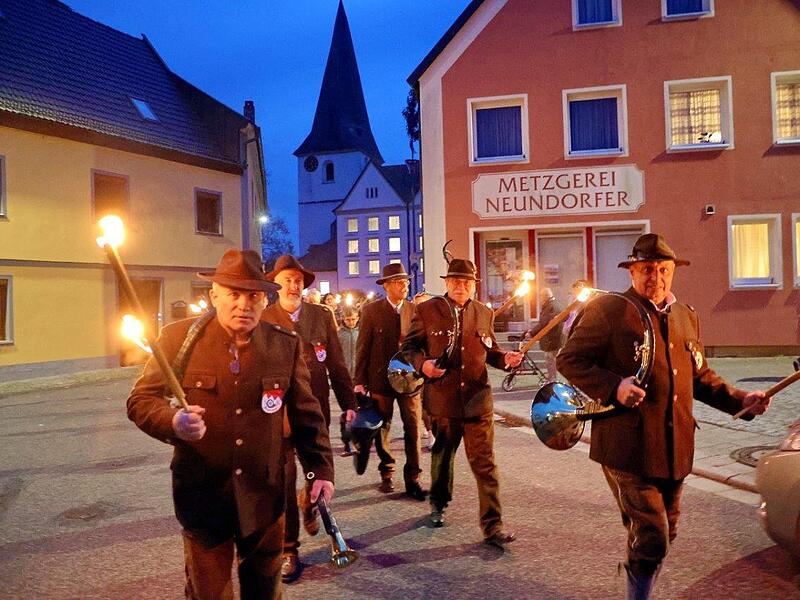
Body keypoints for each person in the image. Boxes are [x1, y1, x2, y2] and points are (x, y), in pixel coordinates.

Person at [557, 233, 771, 599]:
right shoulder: (608, 310)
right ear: (632, 272)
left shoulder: (686, 316)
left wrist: (741, 400)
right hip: (627, 447)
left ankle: (636, 568)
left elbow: (700, 376)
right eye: (645, 269)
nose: (654, 277)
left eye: (662, 269)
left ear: (673, 272)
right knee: (654, 534)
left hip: (675, 448)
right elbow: (569, 360)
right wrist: (613, 386)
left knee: (665, 533)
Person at [126, 249, 334, 600]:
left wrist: (321, 470)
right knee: (209, 594)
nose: (243, 304)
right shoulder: (178, 341)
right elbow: (140, 401)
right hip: (203, 497)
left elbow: (306, 414)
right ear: (214, 296)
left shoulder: (285, 345)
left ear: (265, 298)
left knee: (265, 593)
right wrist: (173, 420)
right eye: (233, 294)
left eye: (253, 295)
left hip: (265, 498)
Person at [402, 256, 523, 547]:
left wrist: (505, 360)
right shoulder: (427, 310)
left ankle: (492, 525)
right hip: (443, 401)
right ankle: (438, 504)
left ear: (473, 285)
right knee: (443, 459)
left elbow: (491, 351)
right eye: (455, 280)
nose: (461, 285)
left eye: (467, 282)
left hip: (478, 402)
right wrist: (423, 365)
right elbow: (409, 348)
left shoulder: (484, 313)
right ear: (446, 283)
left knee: (485, 464)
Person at [261, 255, 356, 584]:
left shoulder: (321, 316)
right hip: (278, 415)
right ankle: (289, 549)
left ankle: (309, 503)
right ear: (277, 284)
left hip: (314, 412)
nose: (293, 284)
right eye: (287, 279)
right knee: (284, 480)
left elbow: (337, 365)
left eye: (298, 279)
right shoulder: (263, 318)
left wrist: (349, 403)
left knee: (316, 475)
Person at [355, 263, 427, 500]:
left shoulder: (415, 310)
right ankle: (387, 471)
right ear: (386, 286)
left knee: (413, 428)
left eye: (405, 282)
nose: (403, 286)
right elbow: (362, 348)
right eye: (398, 282)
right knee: (383, 427)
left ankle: (413, 477)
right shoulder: (371, 311)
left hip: (409, 380)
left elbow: (422, 345)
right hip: (381, 380)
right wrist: (360, 380)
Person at [525, 287, 563, 381]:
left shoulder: (550, 306)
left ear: (545, 296)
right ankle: (552, 378)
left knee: (550, 359)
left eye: (541, 297)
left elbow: (544, 323)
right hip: (552, 338)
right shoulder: (552, 305)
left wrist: (532, 333)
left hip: (552, 339)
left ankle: (552, 379)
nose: (540, 299)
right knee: (550, 358)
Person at [413, 290, 435, 449]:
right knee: (421, 403)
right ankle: (430, 432)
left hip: (434, 366)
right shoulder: (411, 323)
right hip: (416, 368)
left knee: (433, 402)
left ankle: (434, 431)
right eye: (418, 304)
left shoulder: (437, 321)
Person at [338, 306, 360, 456]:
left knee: (358, 410)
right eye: (348, 319)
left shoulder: (361, 333)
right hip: (345, 377)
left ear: (358, 318)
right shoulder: (340, 335)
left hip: (358, 376)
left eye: (353, 319)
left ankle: (357, 439)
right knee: (347, 411)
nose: (351, 322)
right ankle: (346, 440)